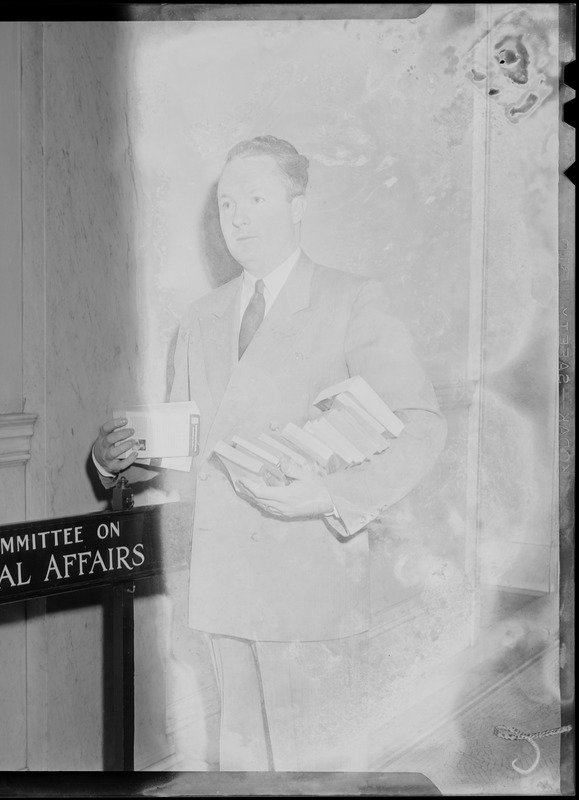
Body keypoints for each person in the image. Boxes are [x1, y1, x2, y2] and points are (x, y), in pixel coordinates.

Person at [92, 135, 447, 771]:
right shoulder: (202, 317)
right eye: (228, 204)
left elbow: (421, 426)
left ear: (299, 205)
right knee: (243, 771)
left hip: (309, 583)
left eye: (256, 198)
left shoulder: (350, 299)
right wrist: (114, 457)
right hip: (225, 585)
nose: (240, 218)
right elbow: (184, 442)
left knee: (316, 771)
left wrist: (333, 495)